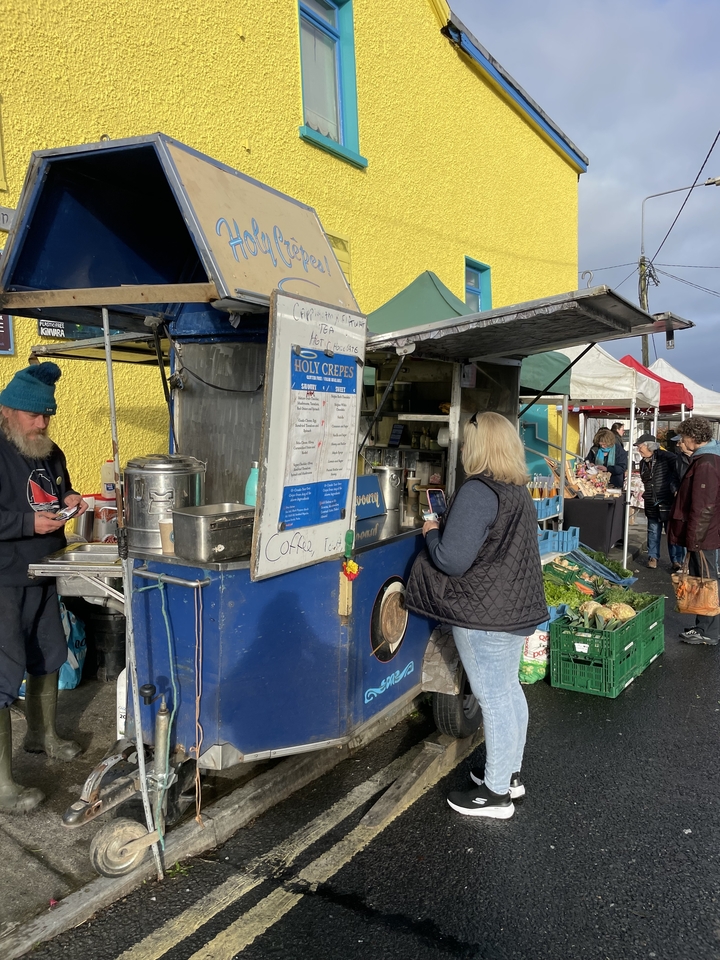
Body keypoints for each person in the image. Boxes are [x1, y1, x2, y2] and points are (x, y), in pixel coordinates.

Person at [405, 411, 548, 819]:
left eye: (467, 440)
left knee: (494, 698)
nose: (462, 447)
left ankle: (496, 794)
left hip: (486, 616)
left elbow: (451, 560)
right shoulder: (515, 488)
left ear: (480, 445)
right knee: (509, 691)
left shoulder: (478, 491)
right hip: (513, 608)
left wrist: (432, 529)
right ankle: (510, 775)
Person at [0, 362, 88, 812]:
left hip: (45, 572)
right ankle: (2, 786)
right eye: (35, 415)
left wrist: (69, 499)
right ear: (8, 411)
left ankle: (43, 735)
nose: (43, 423)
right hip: (5, 578)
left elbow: (56, 492)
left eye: (48, 415)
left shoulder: (49, 451)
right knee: (1, 673)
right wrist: (25, 523)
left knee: (49, 654)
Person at [667, 416, 720, 645]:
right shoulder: (704, 459)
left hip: (704, 532)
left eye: (683, 438)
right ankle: (704, 625)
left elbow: (704, 505)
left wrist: (695, 539)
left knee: (707, 579)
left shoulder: (706, 462)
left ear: (693, 438)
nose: (680, 443)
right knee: (703, 578)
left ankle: (708, 630)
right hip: (704, 531)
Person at [635, 433, 683, 570]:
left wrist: (674, 490)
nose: (639, 450)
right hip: (651, 500)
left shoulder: (668, 458)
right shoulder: (643, 462)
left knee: (671, 532)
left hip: (667, 499)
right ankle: (653, 557)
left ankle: (676, 560)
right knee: (653, 530)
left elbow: (677, 476)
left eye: (640, 447)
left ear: (649, 446)